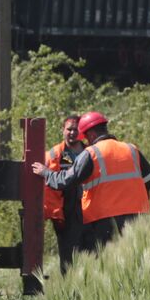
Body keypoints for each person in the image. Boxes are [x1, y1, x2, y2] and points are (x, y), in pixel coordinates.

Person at [32, 111, 150, 255]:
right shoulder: (131, 149)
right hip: (136, 216)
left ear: (90, 135)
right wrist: (135, 202)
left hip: (105, 220)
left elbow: (66, 180)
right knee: (133, 259)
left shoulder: (91, 153)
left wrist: (46, 173)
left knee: (108, 262)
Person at [42, 115, 85, 274]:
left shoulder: (90, 151)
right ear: (63, 131)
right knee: (67, 253)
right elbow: (47, 185)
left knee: (89, 250)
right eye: (69, 129)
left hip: (89, 208)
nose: (72, 132)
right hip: (66, 210)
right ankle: (69, 288)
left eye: (76, 129)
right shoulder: (55, 154)